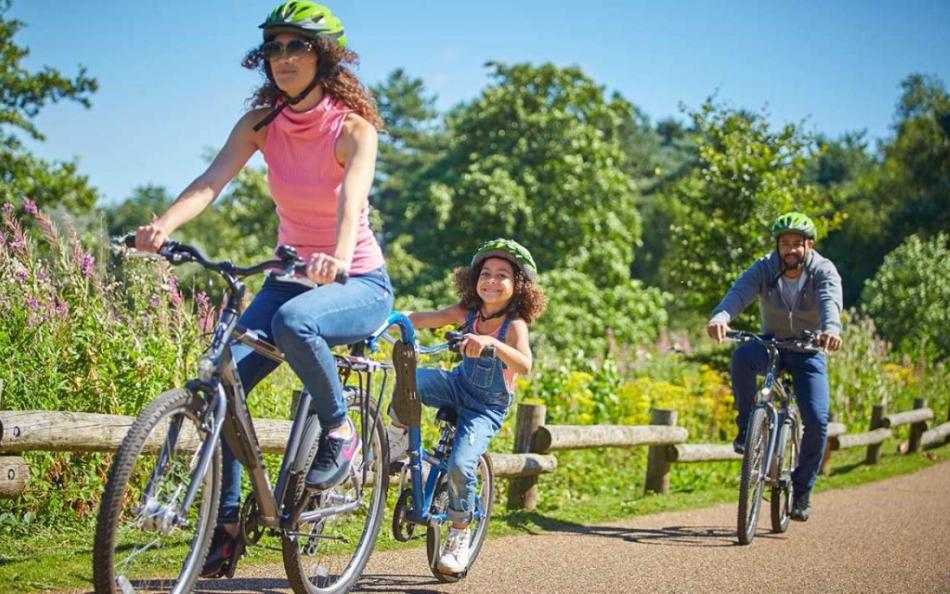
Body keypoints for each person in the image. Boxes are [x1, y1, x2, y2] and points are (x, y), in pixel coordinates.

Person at [132, 1, 393, 577]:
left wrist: (339, 258)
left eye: (296, 46)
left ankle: (340, 432)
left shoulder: (352, 129)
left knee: (293, 323)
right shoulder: (261, 124)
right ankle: (225, 530)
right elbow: (210, 181)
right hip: (287, 277)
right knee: (225, 387)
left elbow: (352, 199)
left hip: (358, 282)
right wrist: (162, 228)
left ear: (324, 56)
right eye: (273, 47)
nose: (282, 58)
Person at [387, 239, 546, 574]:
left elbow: (525, 365)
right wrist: (392, 319)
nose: (491, 280)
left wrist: (491, 343)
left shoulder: (514, 324)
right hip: (457, 387)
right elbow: (426, 318)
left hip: (486, 407)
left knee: (461, 464)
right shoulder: (467, 313)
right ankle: (396, 437)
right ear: (474, 278)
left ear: (518, 286)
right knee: (410, 379)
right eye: (485, 273)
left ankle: (459, 534)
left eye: (502, 275)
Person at [706, 212, 843, 522]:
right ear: (777, 245)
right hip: (772, 345)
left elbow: (829, 300)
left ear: (809, 245)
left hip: (808, 349)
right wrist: (720, 317)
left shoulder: (823, 271)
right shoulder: (765, 268)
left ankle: (803, 488)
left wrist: (832, 330)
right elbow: (739, 293)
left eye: (797, 243)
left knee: (818, 421)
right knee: (742, 357)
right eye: (785, 243)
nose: (790, 249)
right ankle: (746, 428)